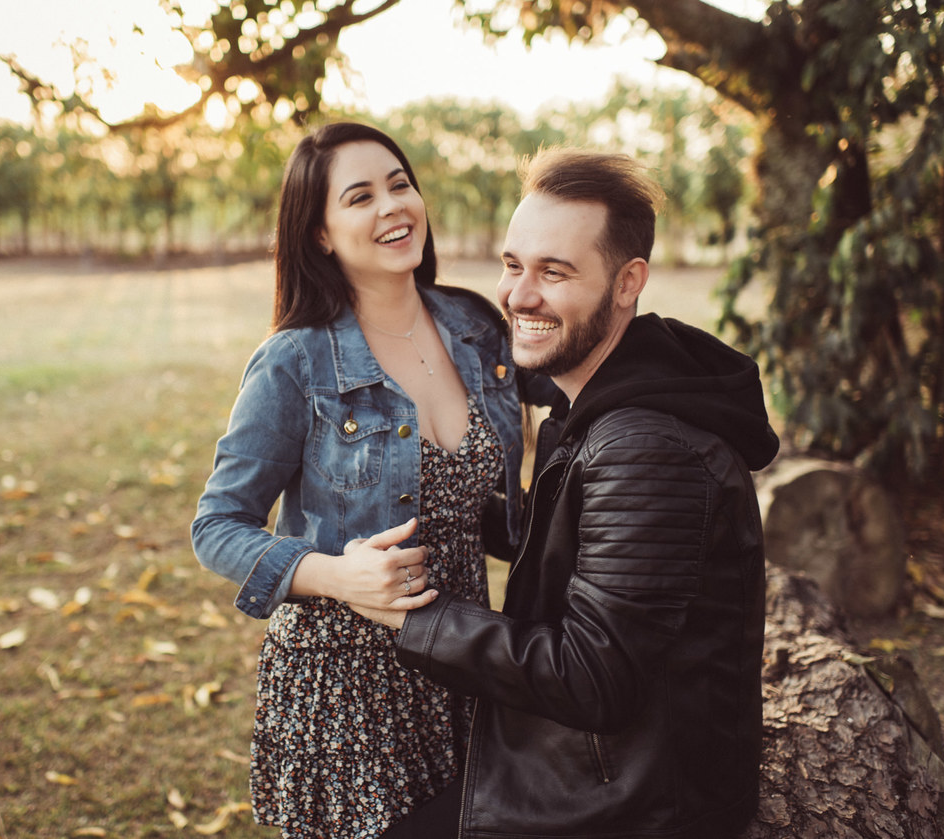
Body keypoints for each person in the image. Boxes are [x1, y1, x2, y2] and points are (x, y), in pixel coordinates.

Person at [357, 147, 780, 839]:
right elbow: (574, 538)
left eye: (554, 272)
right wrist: (443, 510)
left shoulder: (649, 449)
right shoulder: (593, 406)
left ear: (626, 282)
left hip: (632, 805)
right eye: (514, 264)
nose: (519, 295)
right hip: (596, 768)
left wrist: (413, 620)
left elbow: (593, 675)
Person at [191, 121, 532, 838]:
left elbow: (480, 505)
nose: (392, 207)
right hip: (346, 691)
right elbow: (216, 526)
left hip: (462, 661)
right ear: (320, 233)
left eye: (400, 184)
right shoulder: (295, 362)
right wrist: (337, 575)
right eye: (360, 196)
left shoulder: (474, 327)